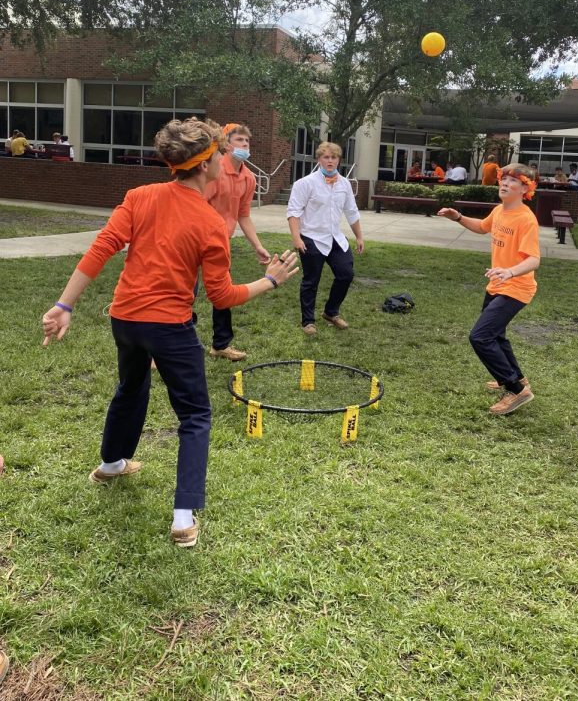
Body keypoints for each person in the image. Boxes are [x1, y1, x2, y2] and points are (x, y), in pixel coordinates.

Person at [42, 117, 298, 548]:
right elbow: (223, 297)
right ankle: (183, 517)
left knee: (131, 386)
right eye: (220, 153)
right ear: (203, 165)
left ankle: (111, 464)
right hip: (168, 328)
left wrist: (64, 304)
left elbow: (102, 247)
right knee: (195, 415)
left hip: (124, 320)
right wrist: (270, 280)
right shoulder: (210, 223)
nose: (225, 159)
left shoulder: (140, 196)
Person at [437, 163, 540, 416]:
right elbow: (483, 227)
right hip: (497, 284)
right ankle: (515, 377)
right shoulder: (499, 211)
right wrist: (458, 217)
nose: (504, 184)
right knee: (496, 335)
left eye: (512, 181)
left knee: (480, 337)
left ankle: (516, 390)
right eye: (503, 180)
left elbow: (534, 259)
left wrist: (510, 271)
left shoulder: (526, 219)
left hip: (516, 287)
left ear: (525, 188)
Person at [203, 123, 271, 362]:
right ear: (226, 144)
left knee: (222, 294)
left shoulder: (248, 178)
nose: (244, 145)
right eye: (239, 140)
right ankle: (162, 349)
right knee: (181, 294)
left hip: (221, 243)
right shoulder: (213, 170)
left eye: (247, 141)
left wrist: (258, 245)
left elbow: (243, 215)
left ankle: (220, 345)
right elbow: (196, 205)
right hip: (196, 240)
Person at [287, 141, 364, 335]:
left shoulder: (345, 184)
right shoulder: (305, 184)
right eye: (326, 157)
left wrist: (359, 237)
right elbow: (294, 213)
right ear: (319, 159)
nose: (330, 161)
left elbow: (352, 212)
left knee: (346, 274)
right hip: (311, 238)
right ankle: (308, 322)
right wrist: (297, 239)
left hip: (335, 238)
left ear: (339, 160)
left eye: (334, 157)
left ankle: (331, 312)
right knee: (311, 281)